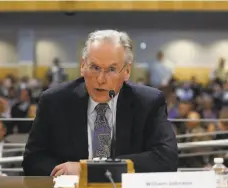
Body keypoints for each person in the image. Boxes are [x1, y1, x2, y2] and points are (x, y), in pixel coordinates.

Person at [22, 30, 178, 176]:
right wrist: (65, 175)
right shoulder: (54, 101)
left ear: (127, 72)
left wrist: (89, 170)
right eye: (95, 68)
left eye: (111, 69)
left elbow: (166, 159)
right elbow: (33, 159)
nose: (101, 79)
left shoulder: (148, 102)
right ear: (83, 66)